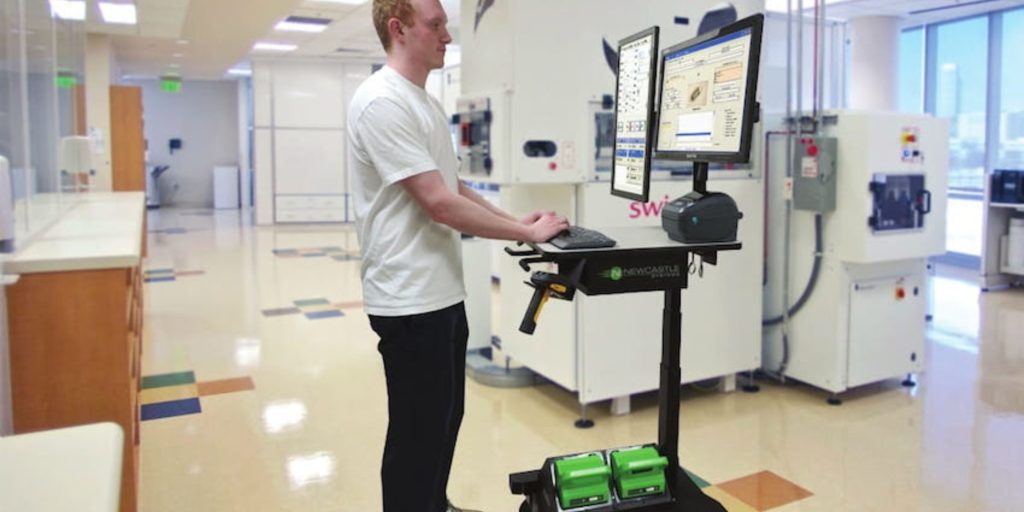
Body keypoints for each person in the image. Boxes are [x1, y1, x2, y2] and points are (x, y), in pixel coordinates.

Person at [347, 1, 570, 511]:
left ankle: (435, 504)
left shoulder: (420, 101)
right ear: (398, 30)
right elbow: (439, 203)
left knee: (444, 420)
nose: (448, 35)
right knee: (416, 433)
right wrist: (522, 233)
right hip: (408, 300)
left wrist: (518, 224)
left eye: (447, 23)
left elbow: (454, 185)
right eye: (436, 25)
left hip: (440, 292)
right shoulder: (381, 102)